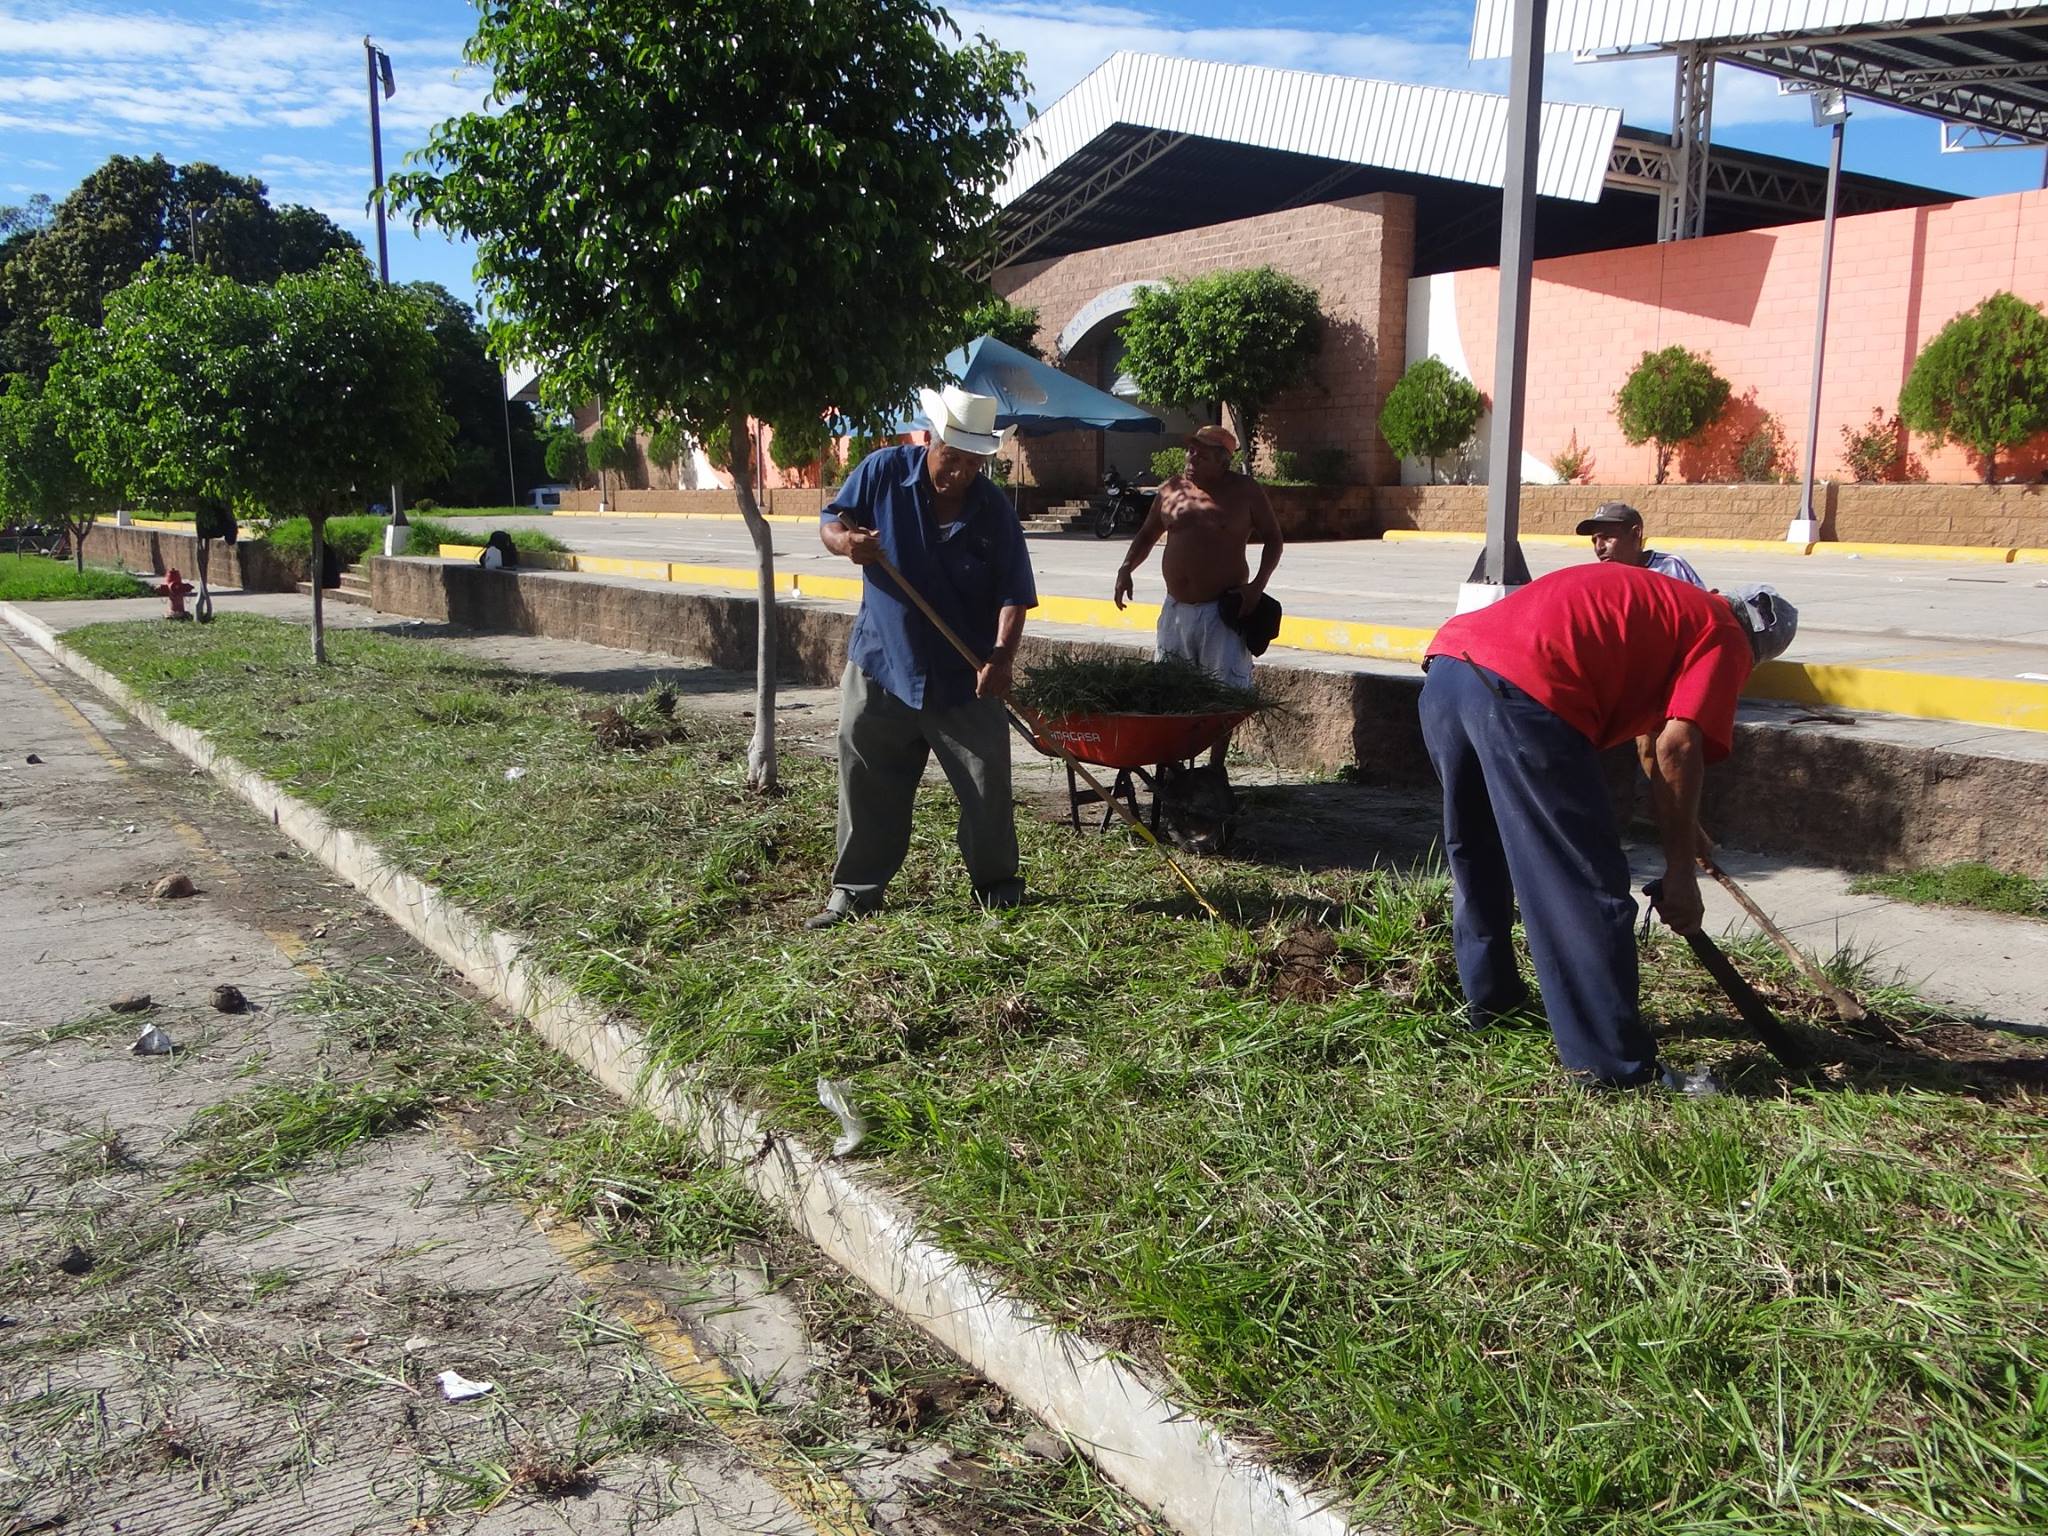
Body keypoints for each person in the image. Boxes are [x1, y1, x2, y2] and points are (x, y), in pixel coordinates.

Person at [1419, 564, 1798, 1089]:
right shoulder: (1727, 635)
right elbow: (1679, 745)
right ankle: (1613, 1067)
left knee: (1479, 852)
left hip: (1449, 673)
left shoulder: (1672, 606)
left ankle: (1494, 1004)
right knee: (1580, 886)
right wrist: (1681, 876)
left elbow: (1652, 741)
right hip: (1522, 695)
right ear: (1757, 650)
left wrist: (1685, 832)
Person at [806, 385, 1038, 929]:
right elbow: (830, 521)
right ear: (929, 440)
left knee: (987, 786)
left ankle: (998, 886)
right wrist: (845, 544)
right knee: (866, 778)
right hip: (883, 665)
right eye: (949, 457)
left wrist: (1001, 658)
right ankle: (856, 891)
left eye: (971, 463)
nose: (956, 472)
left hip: (966, 677)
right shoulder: (882, 471)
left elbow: (1014, 592)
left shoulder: (994, 512)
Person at [1111, 424, 1283, 770]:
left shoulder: (1244, 492)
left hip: (1220, 611)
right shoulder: (1171, 490)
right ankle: (1172, 763)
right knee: (1171, 689)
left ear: (1223, 461)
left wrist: (1257, 586)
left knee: (1225, 691)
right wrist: (1126, 568)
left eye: (1202, 455)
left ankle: (1215, 766)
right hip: (1176, 611)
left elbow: (1274, 540)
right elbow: (1147, 534)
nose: (1192, 459)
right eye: (1191, 451)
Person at [1577, 501, 1704, 588]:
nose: (1599, 548)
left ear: (1635, 533)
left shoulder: (1672, 567)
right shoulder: (1602, 578)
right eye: (1594, 540)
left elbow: (1702, 610)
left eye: (1607, 537)